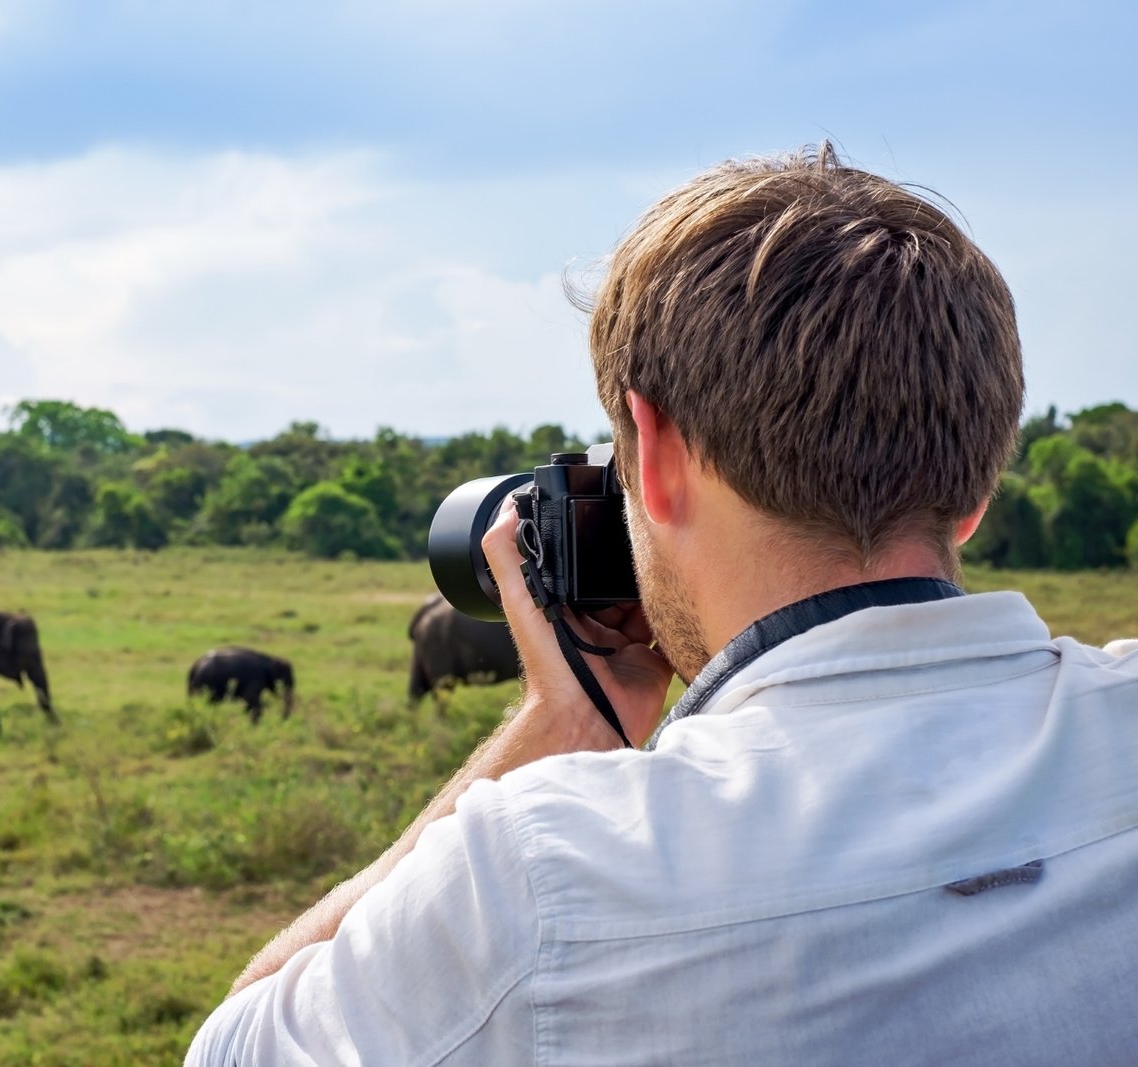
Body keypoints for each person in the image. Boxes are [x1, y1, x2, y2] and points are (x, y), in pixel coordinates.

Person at [186, 145, 1138, 1064]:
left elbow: (233, 1049)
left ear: (657, 454)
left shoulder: (539, 877)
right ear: (975, 493)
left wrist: (562, 726)